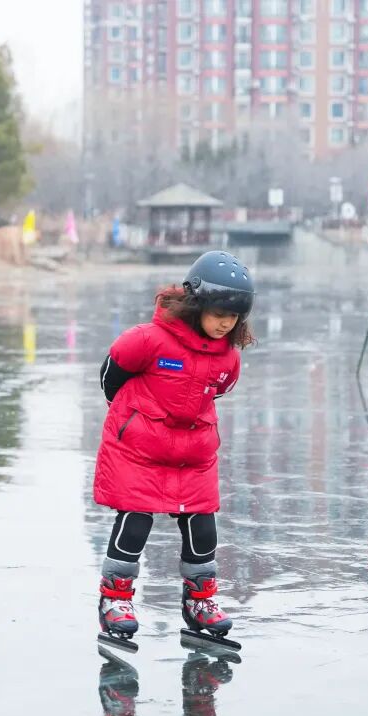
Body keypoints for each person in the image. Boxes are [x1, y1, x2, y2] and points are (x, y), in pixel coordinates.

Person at [94, 251, 255, 642]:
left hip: (193, 455)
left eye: (233, 317)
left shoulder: (228, 358)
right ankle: (115, 599)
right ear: (196, 304)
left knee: (202, 528)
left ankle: (200, 601)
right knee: (135, 522)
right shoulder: (147, 340)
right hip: (140, 450)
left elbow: (217, 391)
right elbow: (111, 377)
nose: (225, 323)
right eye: (219, 313)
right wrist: (136, 418)